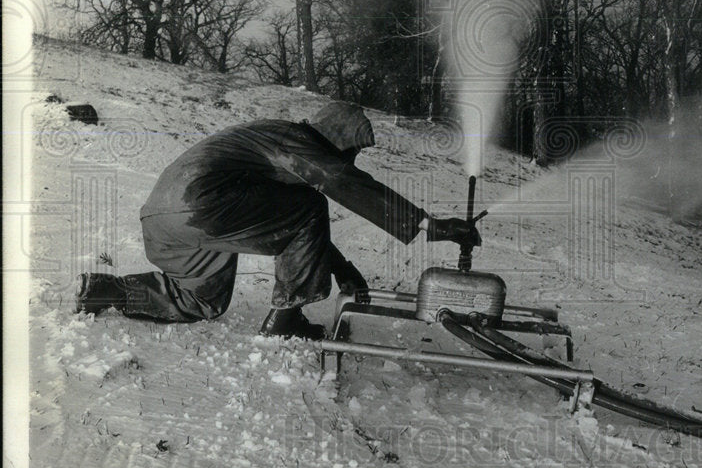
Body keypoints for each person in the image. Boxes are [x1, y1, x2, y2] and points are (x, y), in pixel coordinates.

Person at [74, 101, 480, 340]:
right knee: (308, 207)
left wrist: (344, 269)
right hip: (204, 207)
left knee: (200, 302)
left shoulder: (275, 141)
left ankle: (106, 290)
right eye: (351, 152)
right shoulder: (296, 140)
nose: (350, 161)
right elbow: (333, 185)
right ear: (335, 141)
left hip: (164, 221)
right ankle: (286, 320)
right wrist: (428, 225)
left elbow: (286, 229)